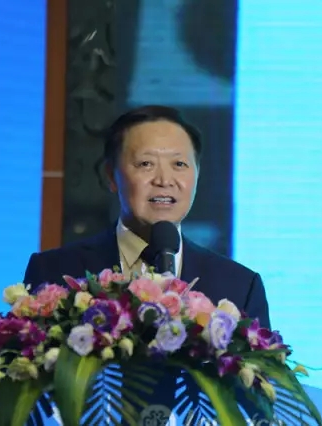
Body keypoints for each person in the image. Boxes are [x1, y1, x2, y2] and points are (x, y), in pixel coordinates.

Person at [22, 105, 272, 422]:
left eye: (179, 164)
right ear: (111, 176)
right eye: (145, 164)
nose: (164, 180)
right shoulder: (54, 271)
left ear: (196, 175)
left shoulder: (239, 286)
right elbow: (26, 391)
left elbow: (260, 402)